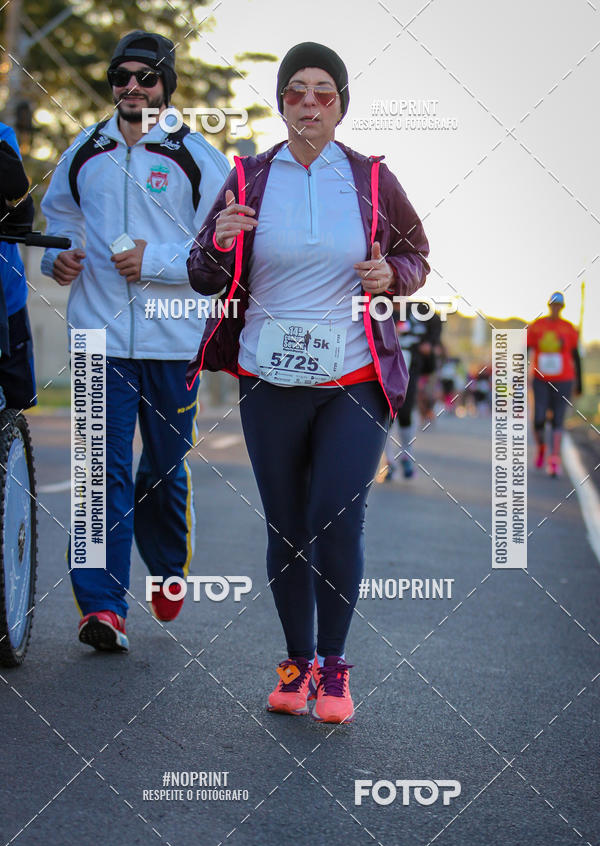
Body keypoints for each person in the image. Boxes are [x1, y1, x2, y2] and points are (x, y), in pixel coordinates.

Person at [187, 42, 430, 723]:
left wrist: (393, 277)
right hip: (269, 376)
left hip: (353, 375)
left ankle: (335, 670)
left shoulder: (371, 179)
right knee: (287, 527)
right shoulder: (247, 176)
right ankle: (296, 665)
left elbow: (416, 254)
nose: (311, 103)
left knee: (336, 516)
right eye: (297, 91)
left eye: (325, 92)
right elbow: (203, 274)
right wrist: (218, 244)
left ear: (342, 105)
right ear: (281, 103)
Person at [41, 31, 230, 651]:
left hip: (174, 336)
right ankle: (102, 607)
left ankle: (168, 568)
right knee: (101, 471)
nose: (132, 87)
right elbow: (60, 221)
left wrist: (160, 260)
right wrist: (59, 260)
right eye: (121, 76)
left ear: (165, 86)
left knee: (163, 467)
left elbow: (225, 245)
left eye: (146, 77)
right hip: (98, 336)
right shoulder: (84, 150)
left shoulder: (198, 155)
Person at [0, 123, 37, 412]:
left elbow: (18, 216)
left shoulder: (2, 135)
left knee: (13, 405)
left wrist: (18, 199)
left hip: (5, 298)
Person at [384, 301, 441, 479]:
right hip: (385, 366)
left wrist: (430, 343)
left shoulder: (419, 309)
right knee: (385, 413)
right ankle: (388, 461)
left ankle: (407, 454)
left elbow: (436, 322)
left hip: (411, 366)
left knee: (406, 411)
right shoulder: (379, 306)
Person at [527, 291, 582, 477]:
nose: (556, 308)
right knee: (539, 419)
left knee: (558, 419)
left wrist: (579, 382)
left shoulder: (569, 328)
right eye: (553, 305)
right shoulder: (537, 326)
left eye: (559, 305)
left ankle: (554, 459)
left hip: (564, 379)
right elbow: (526, 351)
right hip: (541, 380)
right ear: (549, 305)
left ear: (562, 307)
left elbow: (576, 356)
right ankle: (542, 447)